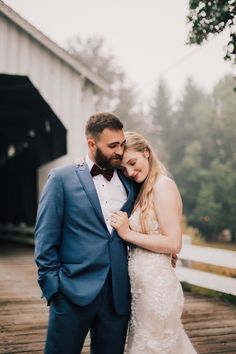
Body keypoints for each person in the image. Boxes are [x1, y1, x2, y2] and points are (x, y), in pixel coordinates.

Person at [34, 112, 138, 354]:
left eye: (122, 144)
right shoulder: (61, 178)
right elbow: (45, 238)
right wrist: (54, 289)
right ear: (92, 144)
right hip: (71, 293)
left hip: (117, 298)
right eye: (113, 146)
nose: (120, 151)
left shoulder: (129, 181)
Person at [110, 131, 197, 354]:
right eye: (124, 169)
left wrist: (127, 233)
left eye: (132, 163)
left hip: (157, 291)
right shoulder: (143, 191)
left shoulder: (162, 186)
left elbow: (173, 242)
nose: (130, 172)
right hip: (141, 292)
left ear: (146, 152)